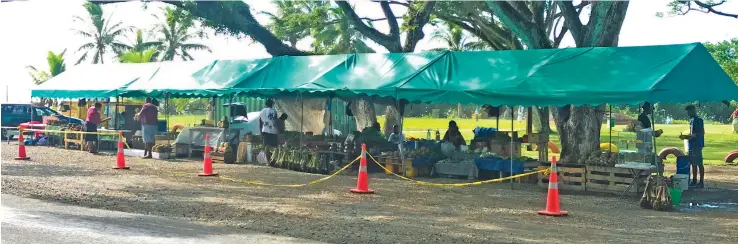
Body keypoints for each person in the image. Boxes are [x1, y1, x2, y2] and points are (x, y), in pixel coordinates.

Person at [684, 105, 705, 188]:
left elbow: (700, 133)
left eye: (689, 111)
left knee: (699, 162)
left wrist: (689, 136)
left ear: (693, 110)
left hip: (697, 144)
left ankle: (701, 181)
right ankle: (694, 180)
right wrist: (688, 136)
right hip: (692, 144)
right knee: (693, 163)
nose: (688, 113)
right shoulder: (692, 120)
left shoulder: (699, 120)